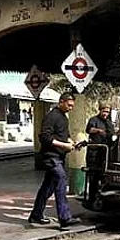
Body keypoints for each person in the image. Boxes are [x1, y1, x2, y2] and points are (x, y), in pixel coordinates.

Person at [28, 92, 81, 229]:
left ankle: (36, 215)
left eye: (72, 106)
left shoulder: (63, 117)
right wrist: (64, 146)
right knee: (61, 181)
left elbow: (64, 135)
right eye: (69, 105)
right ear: (61, 102)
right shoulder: (51, 116)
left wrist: (72, 143)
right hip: (51, 157)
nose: (70, 108)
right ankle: (65, 218)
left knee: (47, 187)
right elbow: (45, 137)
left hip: (59, 157)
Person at [84, 103, 115, 209]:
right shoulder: (94, 120)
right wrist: (98, 131)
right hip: (94, 154)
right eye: (104, 111)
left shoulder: (109, 123)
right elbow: (88, 129)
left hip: (104, 154)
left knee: (103, 177)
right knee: (93, 178)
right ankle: (91, 200)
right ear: (100, 110)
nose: (105, 114)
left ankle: (103, 199)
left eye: (107, 112)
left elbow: (112, 134)